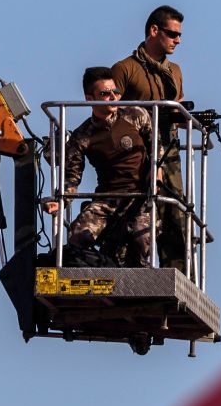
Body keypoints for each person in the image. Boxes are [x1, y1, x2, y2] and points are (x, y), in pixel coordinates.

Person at [45, 67, 161, 268]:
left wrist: (156, 171)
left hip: (142, 196)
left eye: (116, 92)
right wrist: (60, 202)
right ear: (90, 99)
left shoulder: (135, 115)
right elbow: (72, 177)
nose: (113, 98)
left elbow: (156, 146)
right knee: (77, 236)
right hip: (108, 199)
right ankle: (98, 267)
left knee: (141, 240)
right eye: (105, 94)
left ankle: (137, 285)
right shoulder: (83, 136)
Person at [110, 5, 187, 270]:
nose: (177, 40)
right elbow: (109, 111)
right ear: (154, 31)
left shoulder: (174, 71)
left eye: (179, 35)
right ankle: (121, 265)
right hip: (135, 152)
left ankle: (177, 273)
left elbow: (177, 104)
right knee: (131, 209)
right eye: (172, 34)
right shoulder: (125, 69)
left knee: (174, 211)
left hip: (168, 149)